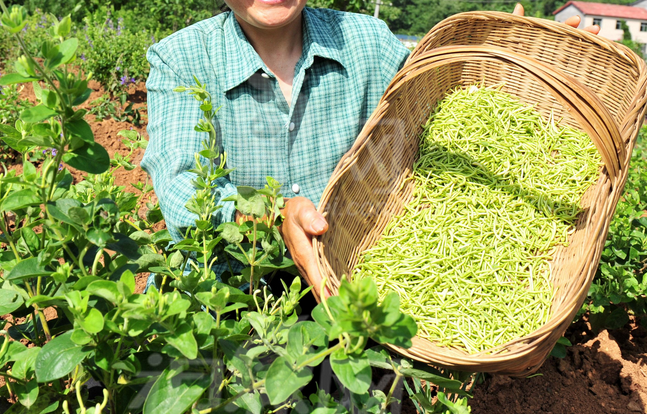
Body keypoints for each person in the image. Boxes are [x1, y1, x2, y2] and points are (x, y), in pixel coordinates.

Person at [141, 1, 599, 300]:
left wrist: (516, 60)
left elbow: (448, 97)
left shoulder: (369, 41)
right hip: (227, 298)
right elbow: (182, 189)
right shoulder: (181, 58)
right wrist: (270, 216)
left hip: (353, 290)